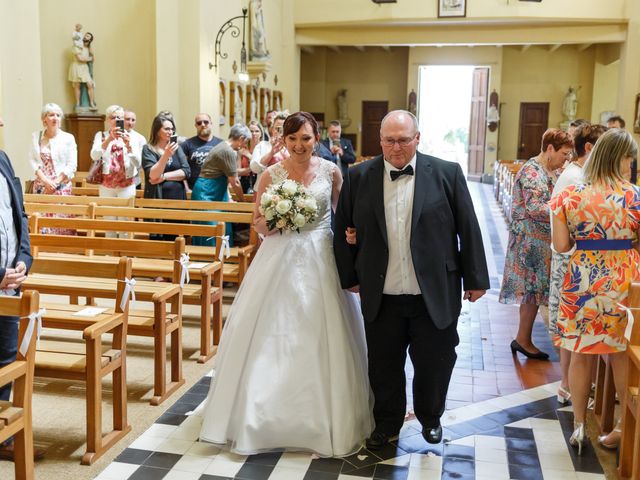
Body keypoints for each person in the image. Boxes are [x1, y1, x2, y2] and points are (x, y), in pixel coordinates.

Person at [198, 111, 373, 456]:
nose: (299, 145)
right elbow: (257, 224)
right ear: (283, 139)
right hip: (278, 258)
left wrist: (353, 238)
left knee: (320, 333)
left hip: (321, 257)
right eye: (292, 139)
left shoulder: (331, 172)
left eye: (305, 138)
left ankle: (322, 420)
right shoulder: (270, 175)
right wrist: (276, 220)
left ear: (316, 139)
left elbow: (343, 216)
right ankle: (259, 418)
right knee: (272, 334)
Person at [333, 110, 489, 449]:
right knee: (383, 364)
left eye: (404, 139)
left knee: (436, 360)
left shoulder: (447, 173)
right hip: (382, 290)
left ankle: (430, 418)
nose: (396, 147)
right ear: (380, 141)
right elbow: (341, 226)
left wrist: (475, 278)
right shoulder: (359, 176)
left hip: (433, 290)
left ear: (418, 138)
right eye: (389, 140)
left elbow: (469, 227)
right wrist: (350, 276)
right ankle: (387, 423)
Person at [550, 128, 639, 454]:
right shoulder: (635, 197)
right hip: (623, 282)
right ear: (620, 158)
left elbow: (561, 245)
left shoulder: (570, 196)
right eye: (631, 158)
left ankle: (577, 426)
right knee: (619, 354)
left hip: (582, 281)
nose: (632, 165)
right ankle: (619, 426)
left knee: (580, 353)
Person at [499, 129, 573, 359]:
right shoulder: (533, 172)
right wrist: (568, 209)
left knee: (534, 293)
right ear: (549, 148)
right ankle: (523, 339)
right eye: (564, 153)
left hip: (539, 242)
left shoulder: (549, 170)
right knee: (531, 293)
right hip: (529, 244)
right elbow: (536, 209)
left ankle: (523, 338)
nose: (566, 159)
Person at [547, 123, 606, 405]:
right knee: (571, 327)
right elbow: (564, 225)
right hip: (569, 257)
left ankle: (571, 383)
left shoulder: (580, 174)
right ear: (589, 148)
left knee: (574, 326)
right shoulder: (575, 178)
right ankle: (568, 384)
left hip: (573, 257)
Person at [0, 115, 44, 461]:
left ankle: (2, 432)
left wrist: (23, 260)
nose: (2, 122)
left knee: (5, 358)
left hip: (10, 283)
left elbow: (20, 215)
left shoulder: (3, 159)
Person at [192, 124, 250, 246]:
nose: (245, 145)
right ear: (241, 138)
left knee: (222, 225)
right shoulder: (227, 151)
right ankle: (209, 259)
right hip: (207, 191)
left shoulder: (223, 146)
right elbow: (235, 181)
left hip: (215, 190)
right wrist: (243, 201)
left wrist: (246, 171)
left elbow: (229, 171)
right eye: (246, 142)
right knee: (211, 228)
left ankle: (222, 258)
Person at [29, 103, 78, 235]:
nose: (55, 118)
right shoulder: (36, 136)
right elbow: (33, 160)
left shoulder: (68, 138)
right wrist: (45, 181)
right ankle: (42, 252)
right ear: (44, 119)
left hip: (61, 185)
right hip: (41, 185)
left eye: (58, 115)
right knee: (42, 222)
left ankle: (62, 251)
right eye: (51, 115)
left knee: (60, 222)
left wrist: (55, 182)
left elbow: (72, 164)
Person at [142, 113, 190, 201]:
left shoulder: (176, 147)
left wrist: (164, 176)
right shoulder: (148, 149)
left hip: (178, 198)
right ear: (157, 131)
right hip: (156, 199)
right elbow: (153, 176)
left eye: (172, 129)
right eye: (167, 129)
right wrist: (166, 155)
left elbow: (186, 172)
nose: (170, 132)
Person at [180, 113, 222, 192]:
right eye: (199, 123)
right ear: (196, 126)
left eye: (206, 122)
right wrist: (187, 189)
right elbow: (181, 168)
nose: (203, 125)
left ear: (211, 123)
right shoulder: (186, 145)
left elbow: (227, 169)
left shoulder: (221, 144)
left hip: (216, 190)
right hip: (194, 190)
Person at [250, 112, 289, 183]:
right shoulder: (262, 146)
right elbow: (254, 169)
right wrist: (271, 152)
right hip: (263, 189)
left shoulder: (291, 148)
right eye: (278, 128)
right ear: (272, 129)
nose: (281, 132)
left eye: (284, 129)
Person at [68, 32, 96, 110]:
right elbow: (80, 59)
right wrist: (88, 59)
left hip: (84, 68)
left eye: (88, 36)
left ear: (90, 40)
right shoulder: (77, 47)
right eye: (86, 35)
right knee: (77, 85)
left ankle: (91, 102)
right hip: (77, 66)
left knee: (90, 84)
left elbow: (93, 59)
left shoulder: (89, 48)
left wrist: (91, 56)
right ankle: (77, 103)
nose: (86, 37)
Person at [124, 109, 147, 189]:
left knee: (134, 198)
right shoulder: (113, 135)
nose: (130, 122)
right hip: (116, 177)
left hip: (135, 176)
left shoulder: (140, 138)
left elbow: (141, 161)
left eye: (133, 120)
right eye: (127, 119)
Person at [237, 120, 262, 193]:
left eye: (257, 131)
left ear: (261, 133)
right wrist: (253, 168)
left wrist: (249, 156)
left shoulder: (264, 147)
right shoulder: (241, 149)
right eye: (251, 131)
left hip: (260, 180)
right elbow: (237, 171)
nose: (254, 134)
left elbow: (263, 168)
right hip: (245, 182)